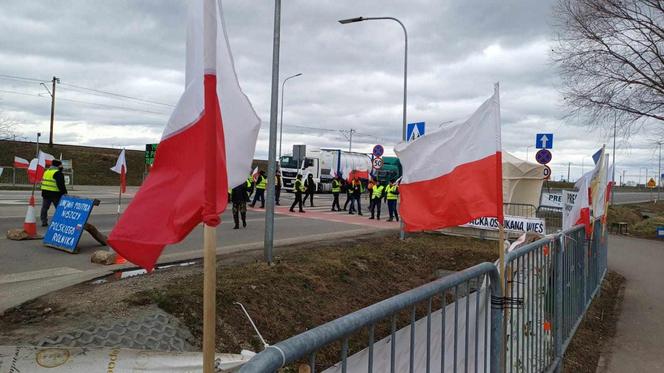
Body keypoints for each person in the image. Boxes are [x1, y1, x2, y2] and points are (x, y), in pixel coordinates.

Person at [40, 159, 67, 226]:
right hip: (55, 194)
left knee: (45, 208)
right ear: (58, 165)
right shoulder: (58, 173)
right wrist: (64, 192)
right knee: (59, 209)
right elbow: (61, 185)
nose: (62, 166)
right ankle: (61, 221)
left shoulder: (46, 171)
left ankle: (44, 221)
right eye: (61, 165)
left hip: (45, 193)